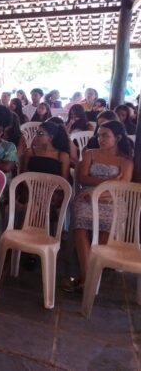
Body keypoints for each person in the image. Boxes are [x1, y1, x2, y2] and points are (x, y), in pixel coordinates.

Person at [67, 120, 133, 292]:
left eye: (105, 135)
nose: (100, 139)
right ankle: (89, 278)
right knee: (80, 224)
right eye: (99, 135)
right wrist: (108, 182)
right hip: (87, 196)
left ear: (117, 137)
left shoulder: (126, 161)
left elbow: (122, 186)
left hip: (112, 199)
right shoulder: (90, 153)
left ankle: (87, 278)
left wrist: (103, 188)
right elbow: (83, 178)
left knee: (107, 226)